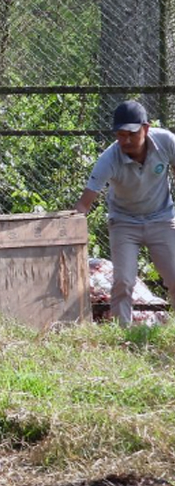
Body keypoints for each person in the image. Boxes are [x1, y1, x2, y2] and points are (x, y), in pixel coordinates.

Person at [74, 100, 175, 324]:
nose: (126, 140)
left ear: (146, 129)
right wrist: (64, 232)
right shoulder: (109, 159)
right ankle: (124, 336)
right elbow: (84, 204)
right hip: (124, 223)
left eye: (131, 134)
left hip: (162, 219)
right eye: (120, 135)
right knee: (123, 281)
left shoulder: (166, 142)